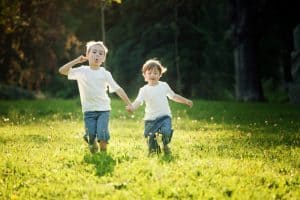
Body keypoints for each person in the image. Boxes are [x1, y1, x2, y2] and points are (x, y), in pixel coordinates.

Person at [59, 41, 132, 153]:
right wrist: (77, 61)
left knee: (102, 134)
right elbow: (62, 71)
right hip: (88, 111)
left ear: (103, 59)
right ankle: (91, 142)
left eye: (101, 53)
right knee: (91, 136)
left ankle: (103, 154)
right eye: (94, 52)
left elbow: (118, 89)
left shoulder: (105, 73)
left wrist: (129, 103)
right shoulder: (82, 71)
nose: (97, 55)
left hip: (103, 109)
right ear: (87, 55)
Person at [126, 59, 193, 155]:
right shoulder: (144, 90)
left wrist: (185, 101)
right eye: (149, 73)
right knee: (152, 145)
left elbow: (173, 96)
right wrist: (132, 107)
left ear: (160, 75)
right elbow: (138, 101)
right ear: (144, 75)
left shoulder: (164, 86)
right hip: (150, 120)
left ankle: (165, 145)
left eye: (155, 73)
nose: (152, 75)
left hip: (165, 116)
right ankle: (154, 149)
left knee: (166, 132)